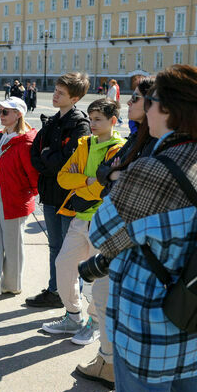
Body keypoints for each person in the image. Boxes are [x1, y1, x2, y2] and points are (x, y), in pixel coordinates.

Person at [89, 64, 197, 392]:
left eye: (151, 100)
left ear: (169, 110)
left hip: (151, 329)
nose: (145, 108)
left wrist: (121, 183)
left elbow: (102, 235)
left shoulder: (150, 169)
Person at [75, 77, 158, 387]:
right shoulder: (139, 137)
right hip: (120, 235)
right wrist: (113, 173)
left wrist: (115, 174)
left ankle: (110, 364)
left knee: (104, 295)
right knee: (102, 295)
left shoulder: (151, 142)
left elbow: (121, 181)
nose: (129, 103)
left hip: (127, 239)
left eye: (135, 98)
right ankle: (108, 360)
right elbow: (105, 172)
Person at [41, 99, 124, 349]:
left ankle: (96, 323)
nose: (92, 123)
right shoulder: (85, 144)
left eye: (98, 119)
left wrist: (86, 185)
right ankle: (74, 316)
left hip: (105, 220)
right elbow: (64, 178)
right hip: (80, 219)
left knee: (101, 277)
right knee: (63, 263)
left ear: (113, 121)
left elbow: (105, 189)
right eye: (90, 118)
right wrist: (89, 180)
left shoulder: (118, 149)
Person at [27, 73, 91, 308]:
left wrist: (47, 159)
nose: (55, 95)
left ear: (74, 97)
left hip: (69, 198)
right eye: (55, 90)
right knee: (55, 246)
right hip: (51, 193)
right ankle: (55, 291)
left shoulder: (80, 124)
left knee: (70, 251)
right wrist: (47, 160)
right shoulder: (52, 121)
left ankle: (72, 300)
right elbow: (35, 154)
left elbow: (69, 162)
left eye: (60, 93)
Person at [0, 97, 39, 308]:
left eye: (6, 112)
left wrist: (30, 195)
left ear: (19, 114)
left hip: (14, 200)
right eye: (0, 112)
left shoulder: (25, 142)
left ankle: (12, 284)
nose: (1, 115)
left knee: (13, 246)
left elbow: (33, 175)